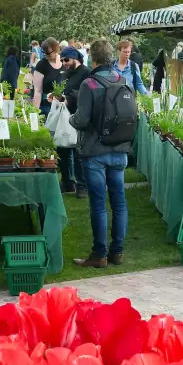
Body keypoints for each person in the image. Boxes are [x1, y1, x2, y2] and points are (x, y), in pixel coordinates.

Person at [69, 39, 133, 268]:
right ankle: (118, 252)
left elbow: (82, 120)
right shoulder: (123, 81)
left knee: (98, 203)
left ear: (92, 58)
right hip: (120, 149)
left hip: (95, 151)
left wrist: (70, 117)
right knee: (119, 202)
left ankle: (100, 254)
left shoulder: (90, 84)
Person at [59, 46, 89, 197]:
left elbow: (85, 95)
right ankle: (67, 182)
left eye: (66, 60)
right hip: (65, 116)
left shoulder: (86, 72)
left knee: (78, 152)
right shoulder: (66, 74)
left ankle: (82, 186)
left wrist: (68, 98)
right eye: (62, 60)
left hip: (80, 117)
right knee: (63, 148)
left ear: (75, 59)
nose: (63, 63)